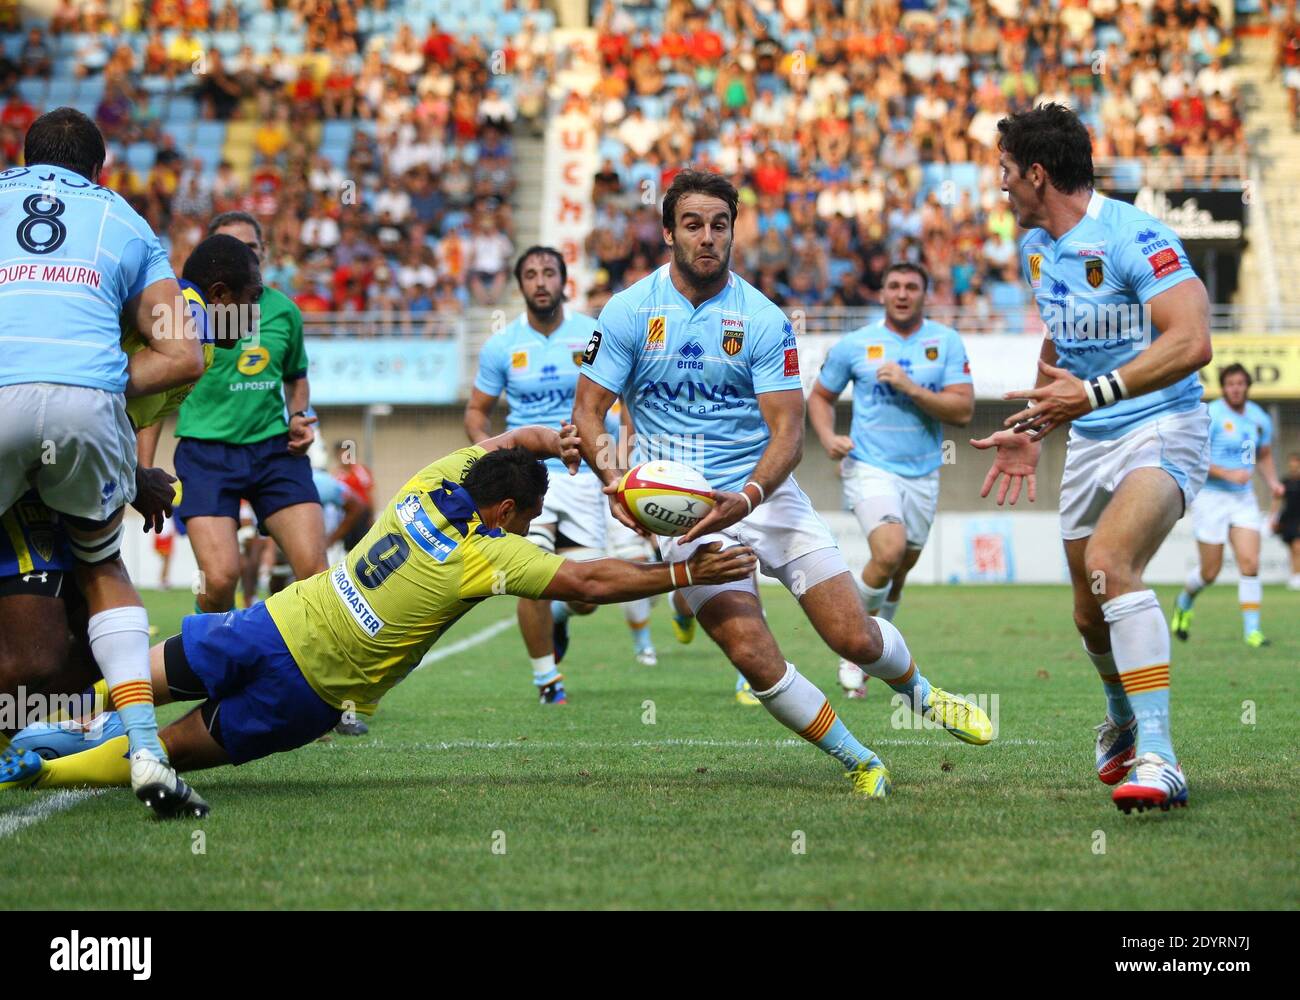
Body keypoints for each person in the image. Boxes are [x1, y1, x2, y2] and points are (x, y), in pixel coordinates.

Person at [13, 427, 756, 793]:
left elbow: (498, 442)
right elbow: (591, 584)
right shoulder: (492, 554)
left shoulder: (431, 480)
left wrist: (548, 442)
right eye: (527, 515)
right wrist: (687, 568)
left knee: (121, 681)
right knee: (164, 753)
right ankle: (42, 776)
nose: (530, 527)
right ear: (503, 508)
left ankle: (25, 720)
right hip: (307, 690)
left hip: (275, 619)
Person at [573, 170, 992, 800]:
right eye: (692, 224)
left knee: (851, 634)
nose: (708, 236)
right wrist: (615, 484)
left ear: (734, 231)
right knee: (749, 649)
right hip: (682, 512)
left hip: (763, 495)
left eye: (720, 224)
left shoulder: (764, 319)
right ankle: (860, 760)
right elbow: (587, 411)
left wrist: (745, 498)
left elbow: (788, 435)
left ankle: (923, 695)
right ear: (667, 233)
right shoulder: (629, 312)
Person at [971, 104, 1213, 813]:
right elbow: (1062, 343)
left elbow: (1192, 339)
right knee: (1087, 612)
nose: (1001, 186)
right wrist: (1039, 418)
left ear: (1037, 174)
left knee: (1112, 564)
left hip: (1162, 425)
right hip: (1089, 437)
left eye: (1006, 173)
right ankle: (1124, 716)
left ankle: (1160, 759)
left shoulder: (1137, 235)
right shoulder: (1037, 248)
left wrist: (1095, 392)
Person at [0, 233, 261, 817]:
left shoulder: (202, 343)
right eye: (251, 299)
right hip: (44, 450)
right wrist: (131, 475)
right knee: (44, 646)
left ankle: (28, 740)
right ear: (221, 294)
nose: (255, 317)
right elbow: (89, 386)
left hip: (62, 455)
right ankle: (128, 746)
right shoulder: (183, 313)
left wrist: (138, 472)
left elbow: (140, 411)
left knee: (80, 651)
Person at [0, 109, 206, 816]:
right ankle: (147, 750)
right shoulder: (122, 218)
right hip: (89, 407)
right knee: (101, 567)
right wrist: (91, 377)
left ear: (24, 158)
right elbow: (185, 354)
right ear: (100, 168)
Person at [465, 246, 643, 704]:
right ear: (519, 284)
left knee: (586, 595)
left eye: (549, 273)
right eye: (530, 274)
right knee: (533, 575)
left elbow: (620, 403)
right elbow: (476, 412)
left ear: (564, 281)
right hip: (527, 475)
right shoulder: (502, 346)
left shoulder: (593, 334)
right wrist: (489, 459)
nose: (540, 281)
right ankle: (547, 680)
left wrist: (618, 464)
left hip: (584, 473)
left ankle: (561, 616)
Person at [808, 261, 974, 698]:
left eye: (912, 287)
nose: (902, 293)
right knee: (889, 549)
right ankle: (853, 649)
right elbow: (821, 397)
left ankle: (874, 647)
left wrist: (910, 387)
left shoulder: (946, 342)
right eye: (894, 286)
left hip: (923, 472)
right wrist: (827, 437)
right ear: (881, 293)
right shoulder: (856, 344)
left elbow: (962, 411)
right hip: (869, 464)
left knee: (899, 571)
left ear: (925, 294)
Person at [173, 211, 328, 615]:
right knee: (220, 581)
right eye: (231, 247)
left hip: (273, 450)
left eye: (251, 248)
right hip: (206, 452)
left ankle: (305, 671)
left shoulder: (284, 311)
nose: (242, 255)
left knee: (315, 572)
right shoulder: (182, 312)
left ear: (263, 252)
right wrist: (139, 467)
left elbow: (297, 377)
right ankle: (207, 661)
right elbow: (158, 397)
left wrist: (298, 417)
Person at [1171, 364, 1285, 646]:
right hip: (1210, 498)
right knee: (1210, 572)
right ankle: (1184, 601)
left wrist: (1272, 482)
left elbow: (1264, 454)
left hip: (1243, 498)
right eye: (1230, 383)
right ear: (1224, 387)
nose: (1236, 388)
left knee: (1250, 563)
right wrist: (1226, 473)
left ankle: (1252, 632)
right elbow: (1194, 458)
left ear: (1247, 386)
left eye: (1240, 383)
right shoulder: (1211, 414)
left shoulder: (1258, 418)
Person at [1273, 452, 1300, 590]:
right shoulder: (1285, 481)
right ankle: (1294, 575)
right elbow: (1277, 500)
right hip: (1288, 517)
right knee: (1291, 548)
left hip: (1298, 517)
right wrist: (1274, 518)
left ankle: (1297, 576)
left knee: (1297, 547)